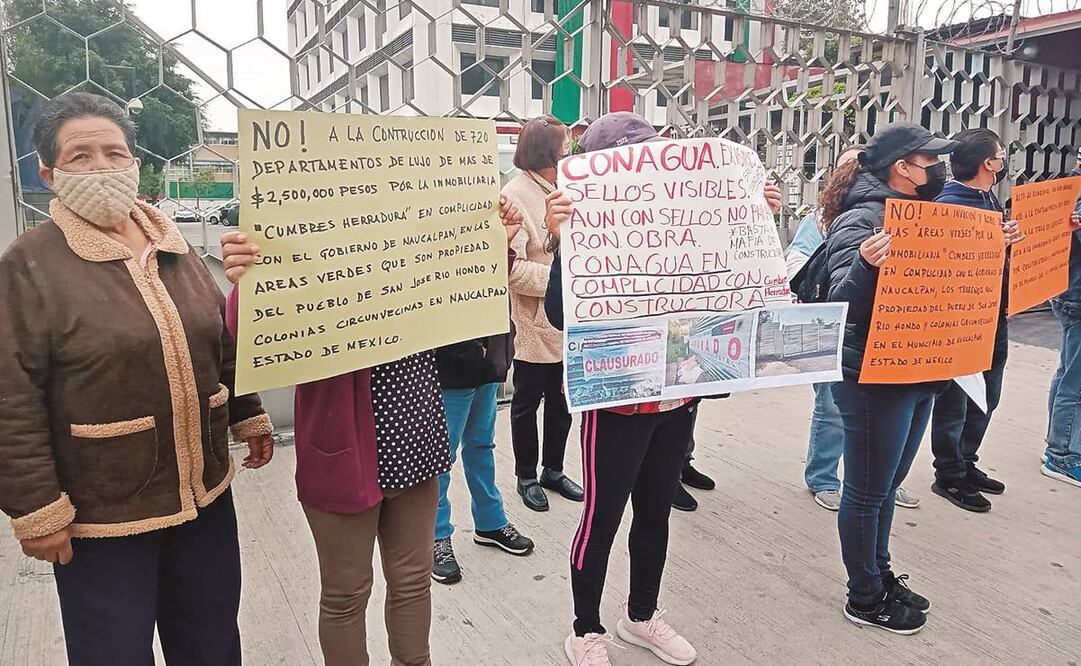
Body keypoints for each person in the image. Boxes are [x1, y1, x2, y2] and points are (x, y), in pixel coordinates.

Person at [0, 92, 275, 666]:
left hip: (202, 494)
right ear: (48, 173)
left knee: (210, 639)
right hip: (104, 507)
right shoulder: (31, 265)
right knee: (113, 650)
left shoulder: (173, 246)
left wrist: (247, 412)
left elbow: (215, 342)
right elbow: (12, 395)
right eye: (80, 156)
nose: (101, 167)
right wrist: (36, 510)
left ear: (135, 165)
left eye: (114, 153)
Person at [221, 198, 524, 665]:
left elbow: (466, 293)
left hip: (416, 439)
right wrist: (248, 282)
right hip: (341, 452)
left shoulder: (414, 239)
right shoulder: (302, 247)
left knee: (412, 577)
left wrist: (491, 245)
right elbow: (249, 332)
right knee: (345, 593)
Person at [544, 112, 783, 665]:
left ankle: (642, 616)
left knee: (656, 510)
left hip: (680, 390)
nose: (651, 166)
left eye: (656, 152)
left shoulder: (691, 217)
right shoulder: (583, 220)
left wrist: (753, 221)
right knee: (602, 519)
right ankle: (585, 630)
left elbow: (737, 284)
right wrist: (564, 243)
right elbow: (560, 314)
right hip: (619, 397)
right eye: (639, 155)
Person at [823, 122, 959, 636]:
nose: (937, 170)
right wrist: (864, 262)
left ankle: (879, 571)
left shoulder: (927, 216)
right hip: (873, 376)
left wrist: (996, 249)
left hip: (920, 367)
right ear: (902, 168)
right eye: (929, 161)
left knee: (886, 486)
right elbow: (839, 300)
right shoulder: (862, 219)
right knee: (865, 490)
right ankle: (864, 596)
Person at [789, 145, 920, 512]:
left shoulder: (902, 214)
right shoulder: (822, 220)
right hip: (833, 330)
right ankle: (824, 478)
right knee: (831, 408)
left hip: (881, 336)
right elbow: (798, 264)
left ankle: (879, 480)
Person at [929, 129, 1024, 511]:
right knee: (957, 399)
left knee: (987, 395)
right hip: (960, 321)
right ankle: (949, 473)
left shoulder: (986, 198)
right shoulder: (948, 204)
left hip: (992, 314)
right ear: (989, 163)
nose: (1002, 162)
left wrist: (1009, 238)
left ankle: (967, 462)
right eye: (1000, 156)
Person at [432, 245, 535, 585]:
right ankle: (435, 536)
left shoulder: (487, 223)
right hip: (451, 365)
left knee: (481, 447)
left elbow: (501, 274)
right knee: (441, 458)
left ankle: (490, 521)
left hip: (490, 360)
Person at [502, 116, 584, 512]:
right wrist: (561, 279)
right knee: (526, 403)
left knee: (563, 402)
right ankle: (526, 475)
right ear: (546, 151)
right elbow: (510, 268)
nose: (570, 151)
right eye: (565, 145)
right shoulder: (515, 195)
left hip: (568, 319)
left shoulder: (566, 188)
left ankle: (553, 469)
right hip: (534, 324)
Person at [1044, 152, 1081, 488]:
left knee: (1067, 371)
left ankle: (1056, 444)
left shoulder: (1068, 186)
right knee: (1075, 381)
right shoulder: (1077, 191)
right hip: (1077, 297)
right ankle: (1062, 455)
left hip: (1068, 292)